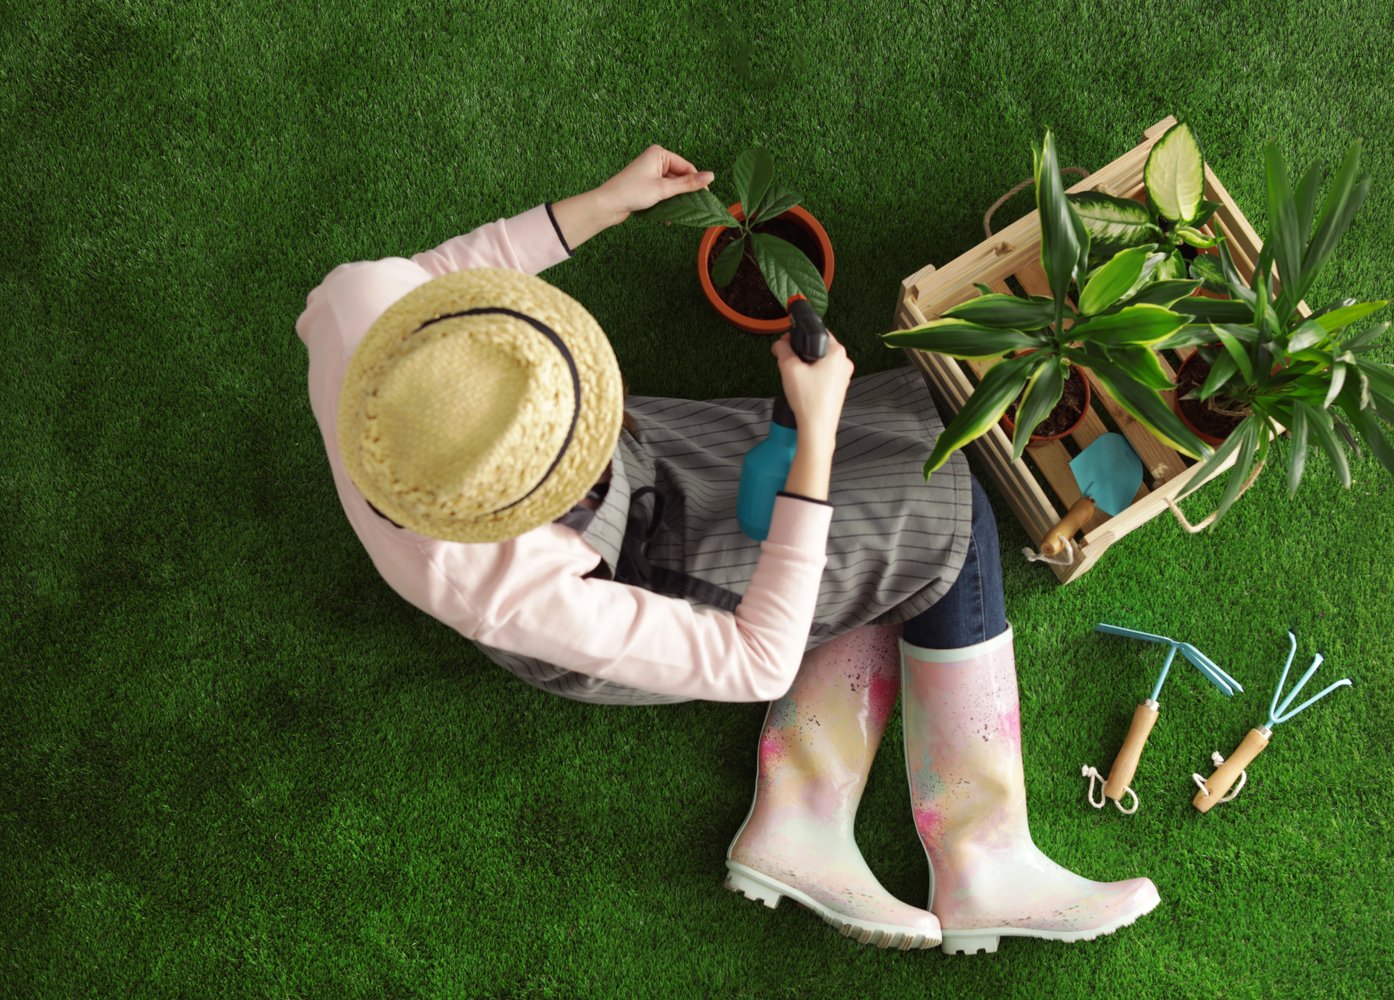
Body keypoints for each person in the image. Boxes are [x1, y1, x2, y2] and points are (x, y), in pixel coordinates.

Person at [295, 145, 1159, 955]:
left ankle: (803, 818)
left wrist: (600, 205)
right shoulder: (506, 585)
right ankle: (981, 859)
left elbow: (453, 277)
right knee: (945, 512)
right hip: (634, 576)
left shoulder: (368, 311)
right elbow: (755, 658)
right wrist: (812, 439)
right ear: (524, 501)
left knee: (915, 427)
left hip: (646, 465)